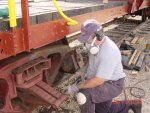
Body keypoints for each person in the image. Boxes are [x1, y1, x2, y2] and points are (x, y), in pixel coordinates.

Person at [67, 19, 142, 113]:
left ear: (98, 36)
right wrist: (84, 70)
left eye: (88, 39)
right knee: (103, 111)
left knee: (84, 96)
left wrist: (77, 86)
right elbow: (93, 60)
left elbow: (98, 80)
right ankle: (132, 103)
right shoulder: (96, 46)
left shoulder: (109, 51)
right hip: (103, 81)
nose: (86, 43)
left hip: (113, 84)